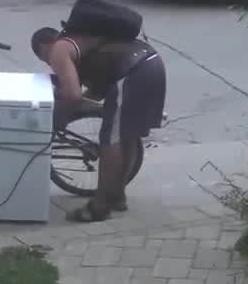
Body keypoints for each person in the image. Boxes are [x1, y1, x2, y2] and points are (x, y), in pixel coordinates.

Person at [31, 27, 166, 222]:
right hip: (151, 64)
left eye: (45, 59)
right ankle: (117, 196)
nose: (51, 65)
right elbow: (95, 92)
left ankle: (99, 206)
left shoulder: (59, 49)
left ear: (45, 46)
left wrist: (61, 115)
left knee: (109, 140)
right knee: (126, 135)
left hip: (133, 72)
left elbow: (73, 96)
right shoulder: (83, 40)